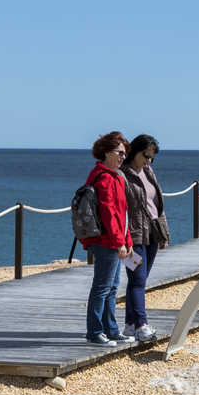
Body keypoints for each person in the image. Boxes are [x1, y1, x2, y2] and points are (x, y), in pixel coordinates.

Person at [79, 131, 134, 345]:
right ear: (106, 153)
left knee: (111, 287)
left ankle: (111, 329)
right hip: (104, 241)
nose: (123, 157)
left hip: (113, 240)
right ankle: (94, 332)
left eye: (124, 153)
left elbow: (123, 213)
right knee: (102, 287)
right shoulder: (103, 177)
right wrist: (119, 241)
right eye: (119, 153)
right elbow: (109, 213)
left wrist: (127, 240)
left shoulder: (115, 177)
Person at [120, 133, 171, 344]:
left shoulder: (149, 171)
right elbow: (119, 209)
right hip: (133, 235)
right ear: (135, 151)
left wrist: (164, 233)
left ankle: (130, 325)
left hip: (152, 232)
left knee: (139, 280)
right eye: (146, 155)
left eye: (152, 157)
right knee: (138, 279)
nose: (148, 160)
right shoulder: (123, 175)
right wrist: (123, 239)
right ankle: (141, 325)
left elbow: (158, 205)